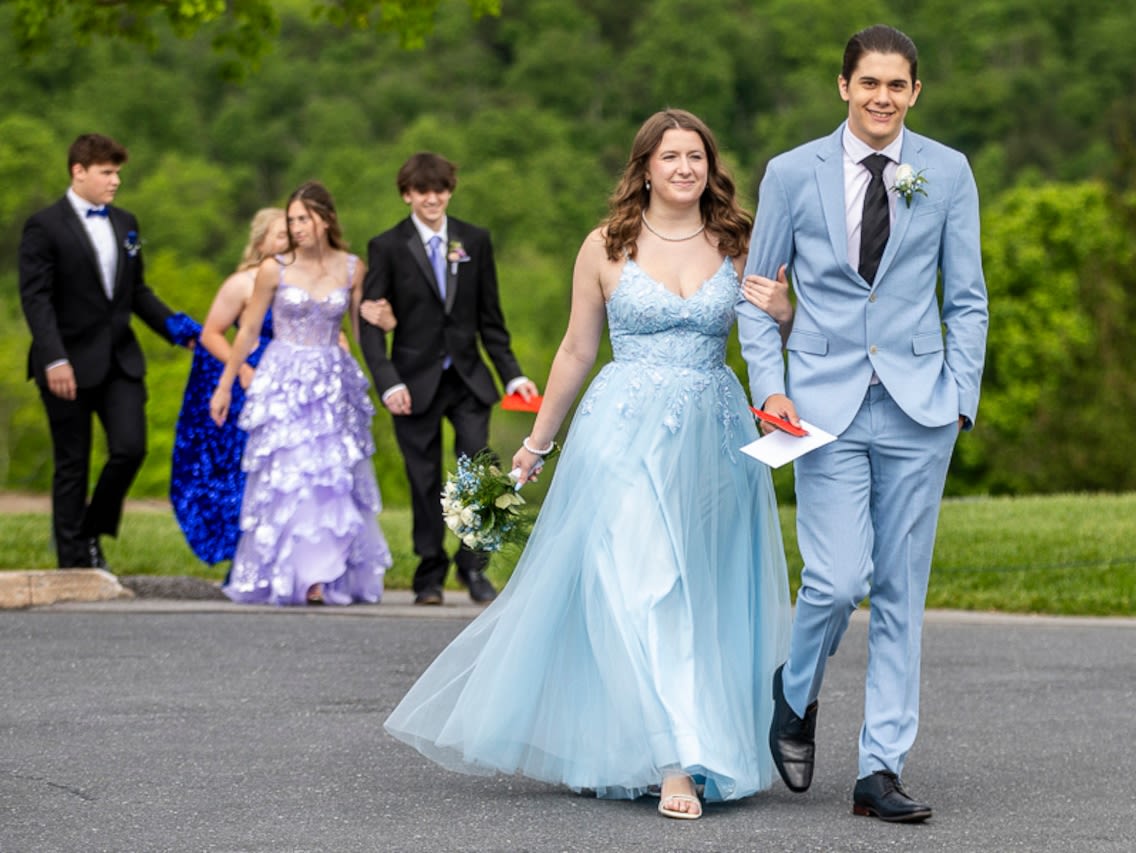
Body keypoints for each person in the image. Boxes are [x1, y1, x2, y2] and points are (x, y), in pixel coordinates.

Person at [385, 109, 792, 820]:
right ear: (644, 167)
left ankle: (692, 740)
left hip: (714, 436)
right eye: (670, 156)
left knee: (699, 592)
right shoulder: (605, 245)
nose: (685, 168)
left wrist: (787, 313)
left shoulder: (739, 241)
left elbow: (771, 332)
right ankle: (674, 762)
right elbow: (576, 350)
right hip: (620, 432)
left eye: (696, 156)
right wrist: (537, 444)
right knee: (641, 584)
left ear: (711, 166)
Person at [737, 24, 989, 822]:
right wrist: (770, 386)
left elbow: (968, 295)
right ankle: (795, 686)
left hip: (921, 407)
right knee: (836, 578)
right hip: (820, 403)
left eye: (897, 85)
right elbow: (754, 292)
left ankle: (879, 768)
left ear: (915, 92)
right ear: (842, 86)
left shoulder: (946, 171)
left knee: (900, 591)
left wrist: (959, 395)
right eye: (868, 82)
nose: (882, 97)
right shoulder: (789, 173)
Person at [359, 152, 537, 606]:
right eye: (422, 191)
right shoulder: (386, 246)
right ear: (407, 195)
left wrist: (512, 376)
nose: (432, 198)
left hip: (468, 379)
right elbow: (370, 322)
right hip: (412, 383)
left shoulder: (474, 240)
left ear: (450, 191)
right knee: (422, 479)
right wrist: (388, 381)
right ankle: (429, 570)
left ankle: (473, 565)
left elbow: (491, 322)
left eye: (440, 190)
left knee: (477, 473)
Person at [18, 133, 199, 570]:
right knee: (72, 464)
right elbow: (35, 299)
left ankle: (91, 532)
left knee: (130, 448)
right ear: (78, 172)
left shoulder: (126, 223)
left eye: (117, 172)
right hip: (67, 364)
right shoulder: (44, 226)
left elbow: (136, 292)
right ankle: (73, 561)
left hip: (120, 360)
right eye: (106, 172)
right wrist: (55, 359)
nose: (115, 181)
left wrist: (180, 331)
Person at [210, 181, 390, 606]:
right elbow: (249, 329)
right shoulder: (275, 267)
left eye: (302, 219)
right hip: (283, 378)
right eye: (290, 220)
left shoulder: (351, 268)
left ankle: (326, 573)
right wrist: (225, 383)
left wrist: (386, 327)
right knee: (292, 476)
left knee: (331, 479)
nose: (295, 227)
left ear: (325, 220)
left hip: (332, 380)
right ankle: (296, 573)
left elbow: (364, 331)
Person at [170, 208, 288, 566]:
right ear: (261, 240)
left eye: (293, 233)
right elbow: (210, 333)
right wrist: (241, 371)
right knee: (248, 470)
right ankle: (247, 555)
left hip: (294, 385)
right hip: (252, 385)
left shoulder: (303, 280)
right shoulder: (243, 283)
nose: (287, 241)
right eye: (280, 234)